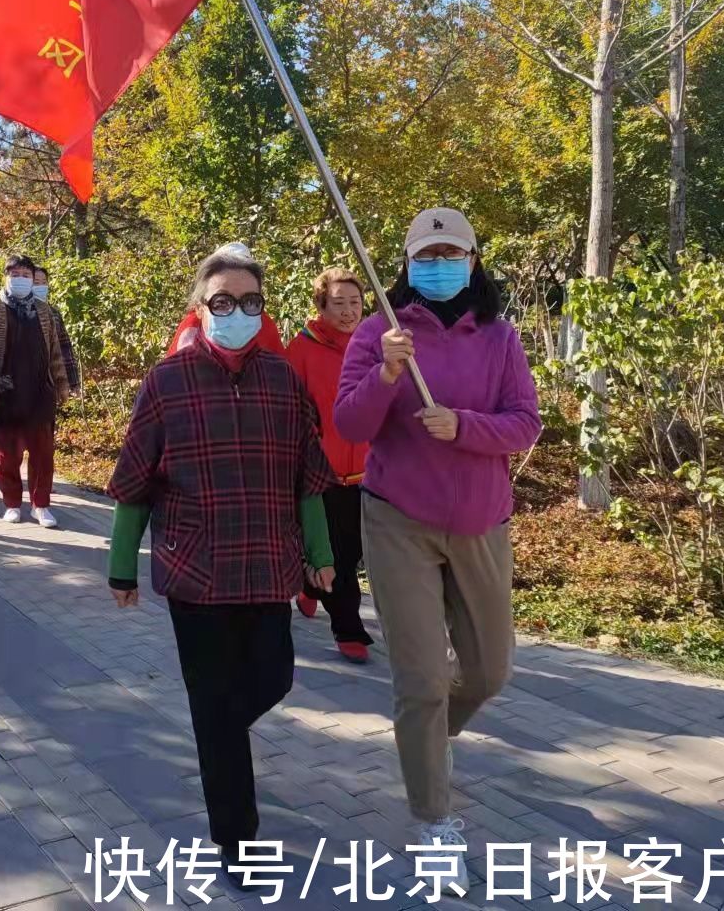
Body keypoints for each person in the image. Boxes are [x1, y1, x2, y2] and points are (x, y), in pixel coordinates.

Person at [106, 247, 336, 866]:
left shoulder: (283, 381)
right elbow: (134, 486)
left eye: (250, 302)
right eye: (223, 301)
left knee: (272, 677)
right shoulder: (166, 383)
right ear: (200, 310)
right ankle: (235, 837)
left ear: (263, 311)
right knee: (213, 703)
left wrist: (320, 554)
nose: (237, 311)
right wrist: (121, 566)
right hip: (195, 572)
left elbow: (307, 480)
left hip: (267, 565)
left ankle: (214, 734)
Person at [333, 207, 541, 892]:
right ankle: (433, 820)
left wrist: (465, 427)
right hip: (399, 521)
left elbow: (524, 424)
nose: (439, 265)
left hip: (483, 519)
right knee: (420, 681)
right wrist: (388, 374)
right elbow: (350, 424)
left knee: (488, 673)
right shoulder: (379, 333)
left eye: (452, 253)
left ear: (474, 261)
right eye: (427, 254)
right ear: (407, 264)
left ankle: (421, 740)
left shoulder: (500, 337)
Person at [286, 267, 376, 663]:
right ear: (320, 305)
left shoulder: (374, 346)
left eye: (354, 302)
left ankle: (312, 588)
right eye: (338, 303)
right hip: (323, 472)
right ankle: (348, 629)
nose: (348, 311)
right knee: (338, 552)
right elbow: (289, 407)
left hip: (371, 471)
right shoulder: (301, 350)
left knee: (355, 550)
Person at [0, 254, 70, 528]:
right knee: (6, 454)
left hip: (39, 391)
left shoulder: (43, 310)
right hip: (5, 392)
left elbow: (54, 352)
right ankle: (12, 502)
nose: (21, 280)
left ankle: (41, 505)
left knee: (43, 453)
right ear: (6, 277)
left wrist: (62, 385)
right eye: (15, 275)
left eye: (26, 275)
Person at [167, 243, 284, 356]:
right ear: (200, 307)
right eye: (222, 302)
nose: (236, 312)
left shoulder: (264, 323)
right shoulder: (193, 323)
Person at [32, 266, 80, 394]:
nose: (41, 286)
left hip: (51, 381)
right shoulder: (19, 312)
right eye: (36, 283)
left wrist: (73, 381)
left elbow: (65, 346)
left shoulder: (54, 314)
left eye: (44, 283)